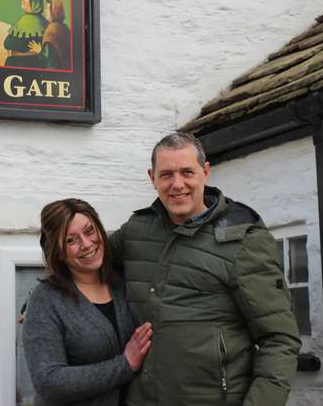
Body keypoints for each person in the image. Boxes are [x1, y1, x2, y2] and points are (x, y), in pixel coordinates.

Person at [109, 132, 301, 406]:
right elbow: (84, 264)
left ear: (205, 171)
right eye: (166, 175)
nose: (177, 185)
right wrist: (42, 297)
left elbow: (279, 339)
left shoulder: (243, 240)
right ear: (152, 178)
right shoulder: (137, 231)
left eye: (187, 172)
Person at [23, 198, 153, 406]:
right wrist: (125, 364)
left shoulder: (123, 283)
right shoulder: (46, 301)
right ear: (58, 253)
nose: (86, 244)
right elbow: (48, 383)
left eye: (90, 231)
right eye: (70, 240)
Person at [3, 0, 48, 68]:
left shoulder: (28, 21)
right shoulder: (44, 21)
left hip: (23, 65)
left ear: (34, 0)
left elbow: (9, 43)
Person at [28, 0, 71, 69]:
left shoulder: (51, 31)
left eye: (47, 9)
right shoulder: (64, 27)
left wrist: (39, 51)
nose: (45, 11)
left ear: (54, 12)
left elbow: (50, 61)